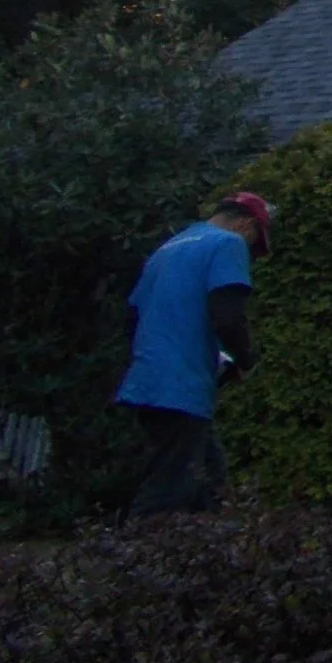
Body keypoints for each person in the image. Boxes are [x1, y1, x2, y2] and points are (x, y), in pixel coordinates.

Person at [115, 191, 273, 518]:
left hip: (148, 380)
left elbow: (133, 318)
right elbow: (227, 317)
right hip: (180, 384)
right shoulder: (227, 243)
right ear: (246, 225)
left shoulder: (166, 250)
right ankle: (132, 557)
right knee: (173, 484)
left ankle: (209, 556)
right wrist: (245, 359)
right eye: (255, 243)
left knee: (209, 478)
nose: (251, 254)